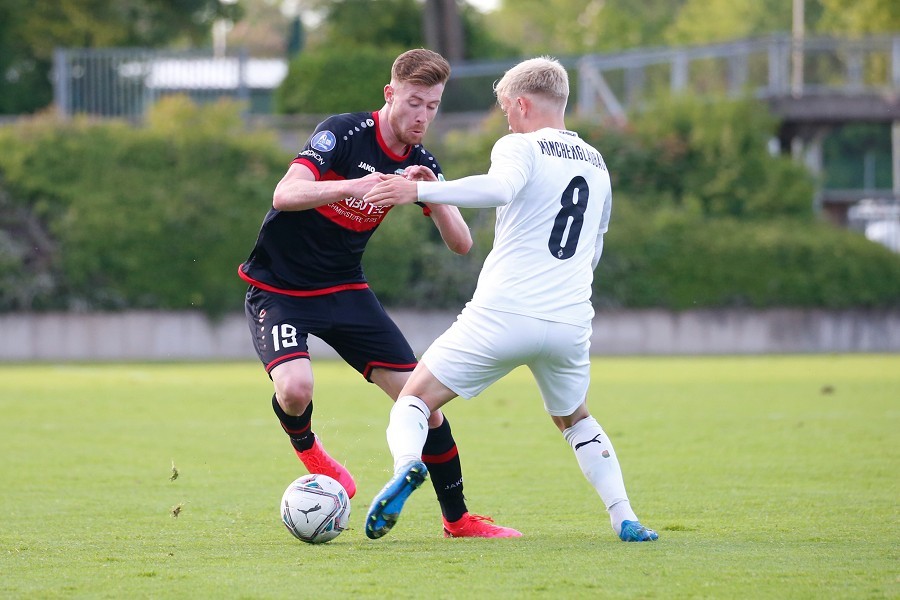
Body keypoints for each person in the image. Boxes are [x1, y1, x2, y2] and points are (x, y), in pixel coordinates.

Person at [362, 57, 658, 542]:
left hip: (504, 313)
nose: (507, 121)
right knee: (575, 418)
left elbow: (498, 189)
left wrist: (414, 189)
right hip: (568, 322)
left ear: (521, 104)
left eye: (505, 111)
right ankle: (624, 517)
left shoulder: (521, 145)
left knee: (415, 399)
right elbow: (595, 246)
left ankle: (406, 467)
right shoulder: (598, 164)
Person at [238, 48, 520, 538]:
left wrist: (431, 191)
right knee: (296, 389)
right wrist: (353, 186)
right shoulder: (345, 133)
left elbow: (462, 244)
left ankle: (458, 519)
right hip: (278, 288)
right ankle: (311, 452)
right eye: (414, 102)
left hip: (345, 291)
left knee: (423, 403)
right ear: (390, 94)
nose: (422, 116)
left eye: (432, 106)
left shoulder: (420, 162)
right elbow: (285, 194)